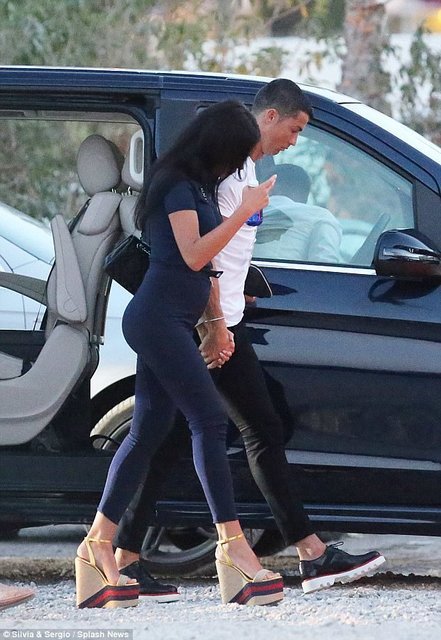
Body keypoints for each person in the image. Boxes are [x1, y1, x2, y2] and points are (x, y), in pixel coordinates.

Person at [112, 79, 385, 598]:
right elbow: (202, 254)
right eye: (294, 129)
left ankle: (124, 555)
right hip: (203, 322)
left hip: (223, 316)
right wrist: (214, 322)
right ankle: (300, 552)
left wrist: (236, 298)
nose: (295, 141)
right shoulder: (224, 172)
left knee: (178, 433)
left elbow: (230, 253)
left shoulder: (248, 171)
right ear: (269, 117)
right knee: (245, 427)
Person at [75, 100, 284, 609]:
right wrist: (243, 211)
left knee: (148, 431)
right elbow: (194, 254)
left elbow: (207, 268)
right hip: (157, 321)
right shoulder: (173, 185)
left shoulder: (201, 187)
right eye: (237, 153)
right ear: (218, 145)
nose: (240, 164)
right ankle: (233, 550)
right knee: (208, 420)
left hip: (175, 322)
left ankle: (97, 549)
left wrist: (214, 322)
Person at [254, 163, 342, 263]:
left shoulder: (247, 215)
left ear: (270, 189)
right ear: (305, 197)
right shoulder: (320, 217)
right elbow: (325, 265)